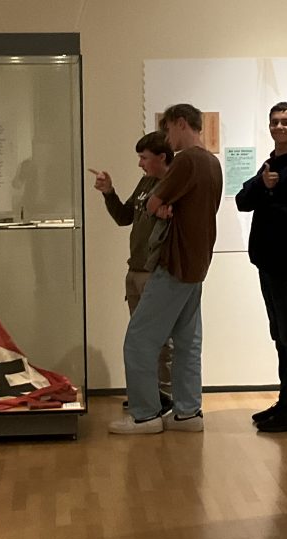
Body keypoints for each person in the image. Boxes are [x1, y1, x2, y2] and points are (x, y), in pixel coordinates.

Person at [110, 103, 223, 435]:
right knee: (187, 341)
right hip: (197, 263)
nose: (167, 136)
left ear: (181, 123)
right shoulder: (212, 162)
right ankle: (188, 413)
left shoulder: (187, 160)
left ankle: (145, 415)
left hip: (174, 263)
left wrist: (158, 205)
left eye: (168, 128)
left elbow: (153, 202)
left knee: (139, 339)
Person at [235, 101, 287, 432]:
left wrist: (267, 194)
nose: (279, 127)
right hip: (267, 261)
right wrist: (263, 186)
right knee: (281, 335)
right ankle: (286, 402)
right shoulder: (272, 163)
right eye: (275, 122)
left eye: (286, 122)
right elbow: (242, 201)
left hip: (285, 263)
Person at [90, 131, 174, 412]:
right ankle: (147, 394)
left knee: (162, 340)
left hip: (156, 271)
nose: (140, 163)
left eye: (144, 158)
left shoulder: (174, 185)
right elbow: (124, 217)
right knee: (140, 338)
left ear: (161, 157)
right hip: (135, 269)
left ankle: (165, 396)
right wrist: (109, 192)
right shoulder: (146, 182)